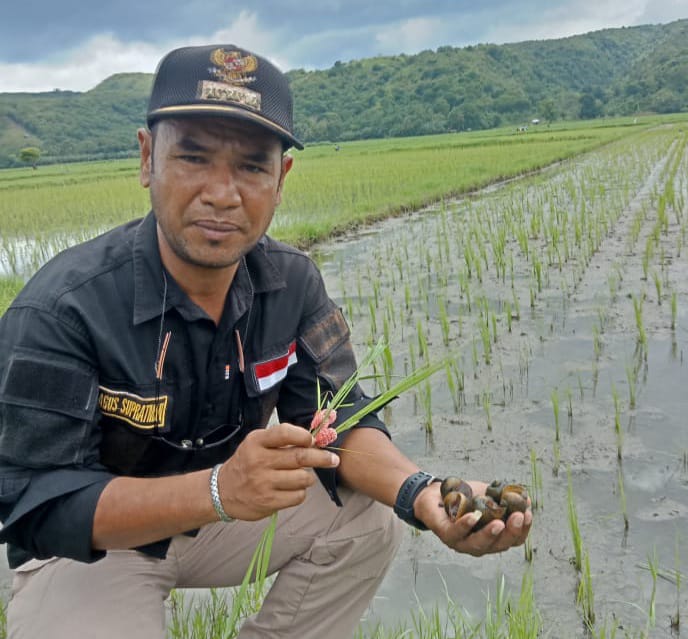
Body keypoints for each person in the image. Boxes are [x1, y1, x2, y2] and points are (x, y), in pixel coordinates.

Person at [0, 44, 533, 639]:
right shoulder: (64, 306)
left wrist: (424, 494)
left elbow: (341, 420)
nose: (223, 194)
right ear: (148, 158)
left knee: (364, 518)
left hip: (222, 514)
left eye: (252, 167)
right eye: (194, 158)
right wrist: (216, 490)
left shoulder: (291, 283)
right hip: (97, 546)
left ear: (281, 180)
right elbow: (38, 505)